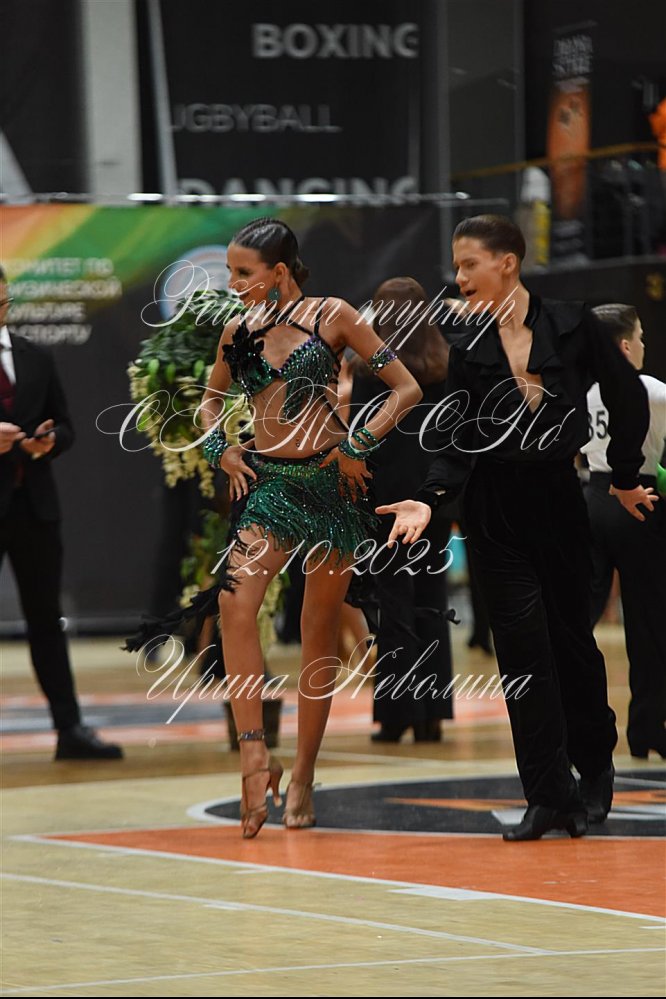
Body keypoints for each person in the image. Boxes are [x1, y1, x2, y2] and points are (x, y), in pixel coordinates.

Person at [377, 215, 653, 841]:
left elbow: (627, 395)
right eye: (456, 265)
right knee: (521, 656)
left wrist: (623, 474)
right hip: (493, 510)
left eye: (468, 263)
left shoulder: (571, 325)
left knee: (571, 645)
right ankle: (548, 795)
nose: (458, 277)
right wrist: (429, 499)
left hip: (557, 501)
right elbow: (455, 435)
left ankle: (594, 768)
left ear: (507, 262)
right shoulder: (468, 344)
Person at [197, 218, 422, 837]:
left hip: (331, 486)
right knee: (234, 603)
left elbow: (405, 388)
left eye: (243, 272)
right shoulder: (237, 330)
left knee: (317, 633)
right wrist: (221, 448)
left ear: (279, 271)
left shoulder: (334, 315)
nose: (232, 283)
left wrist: (357, 442)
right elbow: (210, 401)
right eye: (230, 272)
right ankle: (254, 757)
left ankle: (302, 775)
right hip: (269, 486)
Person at [0, 266, 123, 761]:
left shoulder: (35, 355)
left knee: (46, 620)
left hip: (34, 505)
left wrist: (50, 441)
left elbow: (67, 425)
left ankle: (69, 728)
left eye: (2, 302)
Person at [348, 277, 456, 743]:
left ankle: (396, 716)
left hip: (385, 502)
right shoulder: (445, 366)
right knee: (432, 600)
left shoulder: (370, 370)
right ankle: (432, 716)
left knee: (393, 604)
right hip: (432, 500)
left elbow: (360, 440)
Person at [581, 304, 666, 759]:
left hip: (593, 499)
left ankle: (575, 725)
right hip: (640, 498)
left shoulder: (582, 392)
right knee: (649, 623)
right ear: (626, 346)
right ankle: (646, 731)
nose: (645, 345)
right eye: (641, 337)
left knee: (579, 618)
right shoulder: (652, 391)